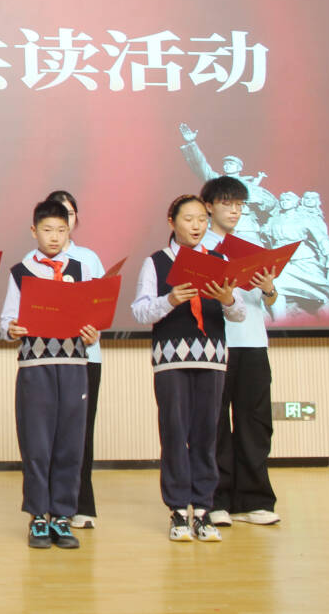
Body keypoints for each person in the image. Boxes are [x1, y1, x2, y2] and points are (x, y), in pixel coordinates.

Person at [131, 194, 245, 543]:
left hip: (212, 358)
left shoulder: (220, 260)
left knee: (207, 435)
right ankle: (179, 510)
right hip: (171, 360)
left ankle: (205, 510)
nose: (196, 226)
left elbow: (239, 313)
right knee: (174, 432)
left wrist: (227, 299)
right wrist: (170, 300)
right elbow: (140, 312)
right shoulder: (156, 262)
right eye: (188, 219)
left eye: (201, 219)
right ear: (172, 222)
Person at [0, 200, 99, 549]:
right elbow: (6, 321)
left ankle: (62, 515)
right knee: (37, 443)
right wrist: (12, 329)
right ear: (34, 231)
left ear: (69, 231)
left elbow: (93, 318)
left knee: (70, 443)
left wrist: (93, 333)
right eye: (47, 230)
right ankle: (38, 515)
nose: (54, 237)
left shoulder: (82, 270)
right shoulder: (21, 271)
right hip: (35, 367)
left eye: (61, 230)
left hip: (74, 366)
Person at [200, 176, 282, 528]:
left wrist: (269, 289)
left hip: (253, 342)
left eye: (239, 205)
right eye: (227, 203)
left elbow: (270, 302)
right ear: (209, 206)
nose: (234, 211)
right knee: (215, 424)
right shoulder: (198, 247)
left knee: (255, 422)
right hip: (215, 344)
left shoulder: (252, 247)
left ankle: (255, 500)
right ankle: (217, 500)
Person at [34, 190, 106, 530]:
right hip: (46, 358)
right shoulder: (31, 263)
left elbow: (100, 306)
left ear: (73, 221)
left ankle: (80, 504)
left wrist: (94, 328)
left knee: (80, 434)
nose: (56, 232)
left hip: (85, 357)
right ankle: (48, 505)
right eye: (51, 224)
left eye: (67, 217)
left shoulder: (88, 260)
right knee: (46, 435)